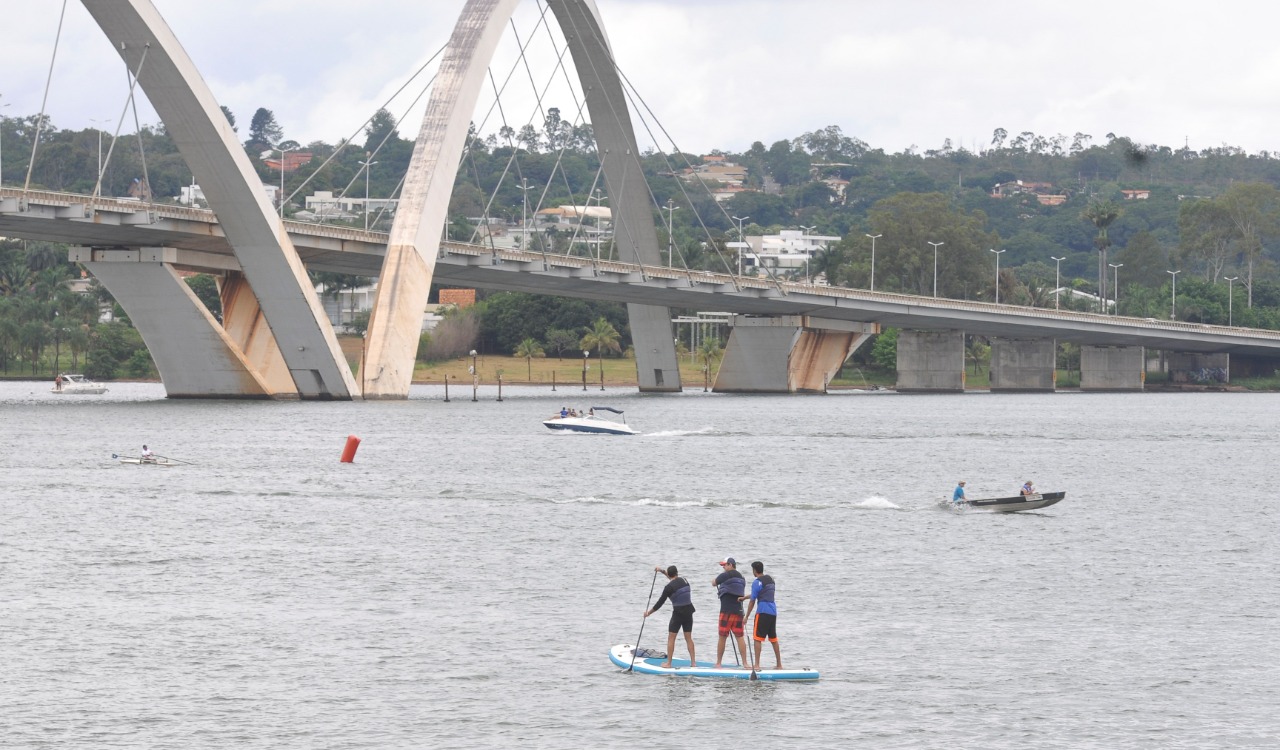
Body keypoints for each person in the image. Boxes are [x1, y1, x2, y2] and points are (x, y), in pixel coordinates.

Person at [643, 565, 696, 669]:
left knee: (671, 638)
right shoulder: (684, 580)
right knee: (688, 638)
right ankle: (693, 663)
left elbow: (659, 603)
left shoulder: (668, 588)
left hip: (678, 614)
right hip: (689, 612)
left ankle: (669, 663)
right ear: (677, 573)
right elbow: (674, 581)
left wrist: (648, 613)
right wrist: (662, 571)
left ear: (669, 574)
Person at [740, 560, 782, 671]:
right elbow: (760, 593)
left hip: (762, 612)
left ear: (754, 570)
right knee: (773, 638)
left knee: (757, 638)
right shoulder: (770, 580)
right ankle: (779, 664)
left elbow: (753, 601)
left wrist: (746, 617)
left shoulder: (756, 582)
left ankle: (757, 665)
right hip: (773, 612)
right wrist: (744, 598)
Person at [711, 557, 749, 668]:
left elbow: (714, 583)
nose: (723, 568)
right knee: (740, 636)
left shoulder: (726, 575)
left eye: (725, 565)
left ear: (731, 565)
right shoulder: (742, 577)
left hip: (726, 611)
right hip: (739, 611)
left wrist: (714, 579)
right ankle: (745, 663)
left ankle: (718, 663)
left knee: (722, 636)